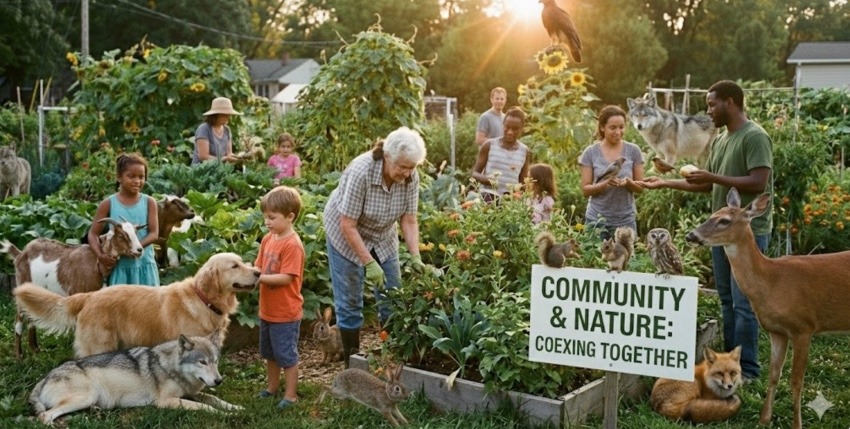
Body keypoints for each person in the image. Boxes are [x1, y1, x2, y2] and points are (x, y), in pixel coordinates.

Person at [637, 80, 773, 382]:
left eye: (713, 104)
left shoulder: (754, 137)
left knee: (744, 303)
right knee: (726, 298)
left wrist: (711, 174)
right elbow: (708, 184)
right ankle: (728, 364)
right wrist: (665, 181)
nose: (708, 111)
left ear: (731, 102)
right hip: (720, 234)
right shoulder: (723, 140)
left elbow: (758, 183)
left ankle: (748, 370)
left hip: (747, 233)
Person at [323, 126, 428, 368]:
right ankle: (353, 367)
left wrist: (415, 256)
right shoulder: (362, 171)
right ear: (387, 156)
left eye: (411, 167)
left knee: (392, 295)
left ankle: (389, 359)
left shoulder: (411, 176)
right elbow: (347, 224)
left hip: (382, 235)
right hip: (346, 234)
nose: (406, 172)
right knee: (350, 301)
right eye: (401, 166)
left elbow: (409, 219)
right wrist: (368, 263)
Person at [254, 185, 305, 409]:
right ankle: (272, 388)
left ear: (290, 216)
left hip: (286, 313)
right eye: (265, 217)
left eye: (272, 217)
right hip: (267, 310)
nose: (267, 222)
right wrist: (252, 275)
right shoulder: (269, 238)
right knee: (270, 354)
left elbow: (286, 278)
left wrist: (259, 278)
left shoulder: (292, 245)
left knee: (286, 356)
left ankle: (291, 395)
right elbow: (258, 265)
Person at [88, 153, 160, 286]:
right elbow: (93, 233)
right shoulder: (109, 203)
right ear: (119, 177)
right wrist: (100, 255)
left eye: (141, 177)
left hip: (143, 264)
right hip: (119, 267)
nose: (137, 181)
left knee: (148, 304)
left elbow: (154, 233)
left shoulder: (149, 202)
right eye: (131, 176)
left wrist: (134, 247)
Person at [579, 105, 644, 238]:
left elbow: (640, 187)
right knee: (594, 257)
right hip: (596, 219)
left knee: (626, 258)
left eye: (621, 127)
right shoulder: (590, 153)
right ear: (602, 127)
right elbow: (586, 190)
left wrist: (627, 182)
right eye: (613, 127)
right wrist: (606, 183)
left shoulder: (633, 151)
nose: (618, 132)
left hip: (625, 219)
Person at [471, 106, 531, 202]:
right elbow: (474, 174)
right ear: (503, 124)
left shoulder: (524, 151)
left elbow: (522, 182)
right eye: (507, 127)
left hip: (510, 203)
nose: (510, 132)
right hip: (488, 199)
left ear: (521, 129)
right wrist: (487, 179)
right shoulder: (489, 145)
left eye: (515, 129)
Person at [192, 97, 241, 164]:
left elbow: (229, 154)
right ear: (217, 115)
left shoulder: (227, 130)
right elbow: (203, 157)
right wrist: (223, 159)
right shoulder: (204, 129)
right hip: (202, 171)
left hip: (219, 171)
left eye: (229, 115)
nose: (229, 117)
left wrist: (238, 157)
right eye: (226, 115)